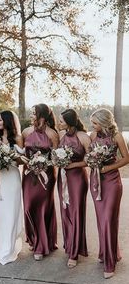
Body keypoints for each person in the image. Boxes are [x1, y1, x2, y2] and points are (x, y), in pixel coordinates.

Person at [89, 108, 129, 279]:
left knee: (108, 220)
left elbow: (126, 158)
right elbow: (87, 155)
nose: (93, 126)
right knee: (101, 220)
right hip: (96, 181)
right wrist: (90, 161)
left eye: (95, 123)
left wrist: (108, 168)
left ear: (104, 122)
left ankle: (110, 263)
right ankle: (106, 252)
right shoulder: (92, 136)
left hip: (112, 181)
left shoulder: (117, 136)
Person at [22, 103, 58, 260]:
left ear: (42, 116)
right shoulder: (26, 132)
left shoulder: (52, 134)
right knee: (29, 206)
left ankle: (42, 246)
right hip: (29, 174)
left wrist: (43, 163)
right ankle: (34, 238)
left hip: (46, 175)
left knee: (43, 207)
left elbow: (57, 158)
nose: (31, 116)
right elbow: (21, 154)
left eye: (33, 113)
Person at [57, 108, 90, 268]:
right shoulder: (61, 135)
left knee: (76, 213)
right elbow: (55, 154)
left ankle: (75, 252)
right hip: (62, 178)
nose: (59, 123)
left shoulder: (83, 137)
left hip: (77, 178)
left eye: (61, 121)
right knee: (65, 212)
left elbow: (91, 160)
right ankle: (69, 245)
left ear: (69, 122)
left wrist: (72, 165)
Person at [0, 110, 23, 265]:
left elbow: (21, 160)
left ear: (8, 121)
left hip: (12, 179)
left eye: (0, 120)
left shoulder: (17, 138)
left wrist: (10, 157)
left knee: (11, 212)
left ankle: (8, 248)